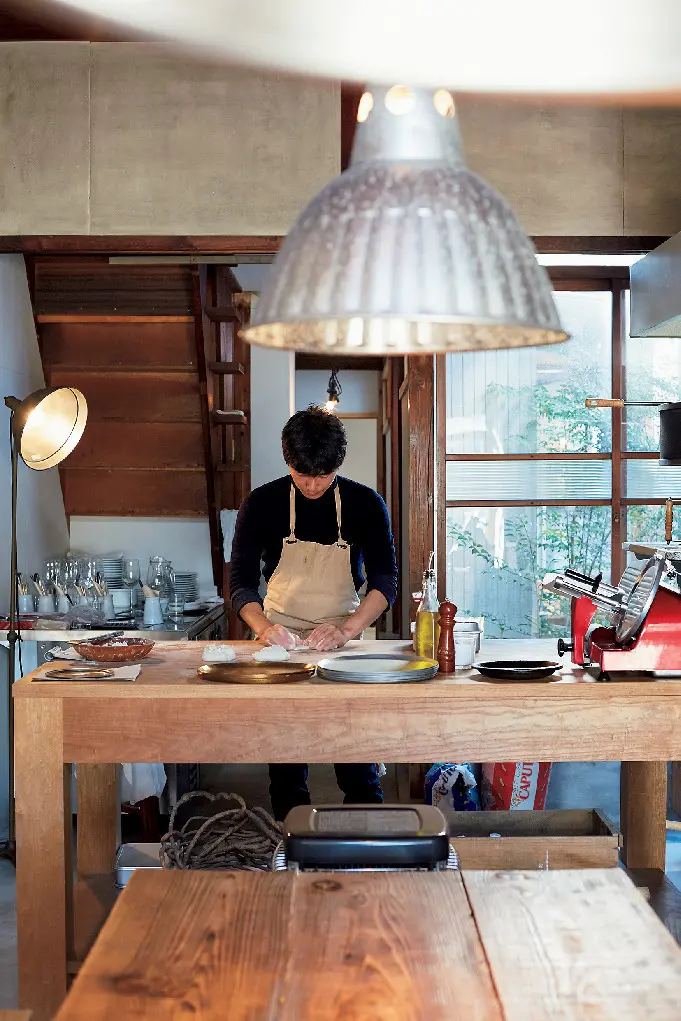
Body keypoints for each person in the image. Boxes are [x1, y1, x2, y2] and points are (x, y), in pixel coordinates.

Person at [229, 406, 398, 819]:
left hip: (346, 636)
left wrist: (347, 630)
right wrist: (266, 629)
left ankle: (363, 844)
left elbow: (385, 581)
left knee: (357, 759)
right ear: (288, 460)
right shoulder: (262, 503)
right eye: (302, 474)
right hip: (280, 643)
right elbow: (241, 586)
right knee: (287, 763)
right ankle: (294, 845)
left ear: (337, 466)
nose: (311, 484)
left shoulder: (364, 503)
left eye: (322, 476)